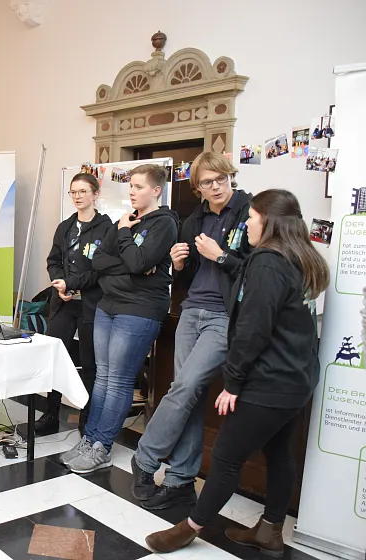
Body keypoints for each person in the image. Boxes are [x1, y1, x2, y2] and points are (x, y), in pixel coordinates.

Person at [145, 189, 329, 557]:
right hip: (298, 380)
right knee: (280, 455)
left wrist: (233, 382)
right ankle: (270, 531)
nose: (246, 223)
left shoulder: (267, 262)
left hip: (269, 382)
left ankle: (188, 529)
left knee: (227, 457)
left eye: (252, 218)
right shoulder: (303, 259)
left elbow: (253, 329)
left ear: (269, 223)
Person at [130, 153, 254, 510]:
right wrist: (180, 264)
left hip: (224, 318)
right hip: (190, 311)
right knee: (192, 395)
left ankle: (145, 457)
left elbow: (258, 269)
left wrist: (220, 256)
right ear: (197, 186)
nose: (215, 187)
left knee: (183, 387)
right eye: (206, 182)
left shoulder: (249, 213)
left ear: (231, 177)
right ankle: (181, 479)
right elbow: (187, 276)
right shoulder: (194, 219)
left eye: (220, 179)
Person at [64, 164, 178, 474]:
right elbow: (98, 259)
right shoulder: (125, 220)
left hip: (139, 309)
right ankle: (90, 439)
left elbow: (139, 261)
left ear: (156, 190)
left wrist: (127, 243)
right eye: (130, 186)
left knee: (118, 381)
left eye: (139, 186)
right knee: (102, 377)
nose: (131, 191)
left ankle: (102, 445)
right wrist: (131, 262)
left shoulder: (163, 224)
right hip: (108, 304)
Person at [35, 173, 112, 439]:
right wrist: (59, 283)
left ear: (95, 194)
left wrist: (71, 283)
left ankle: (87, 416)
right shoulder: (65, 227)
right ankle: (51, 413)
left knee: (90, 363)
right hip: (63, 302)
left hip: (91, 304)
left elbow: (102, 269)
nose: (77, 197)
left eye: (82, 191)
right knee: (55, 357)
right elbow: (53, 259)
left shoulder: (106, 228)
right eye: (73, 192)